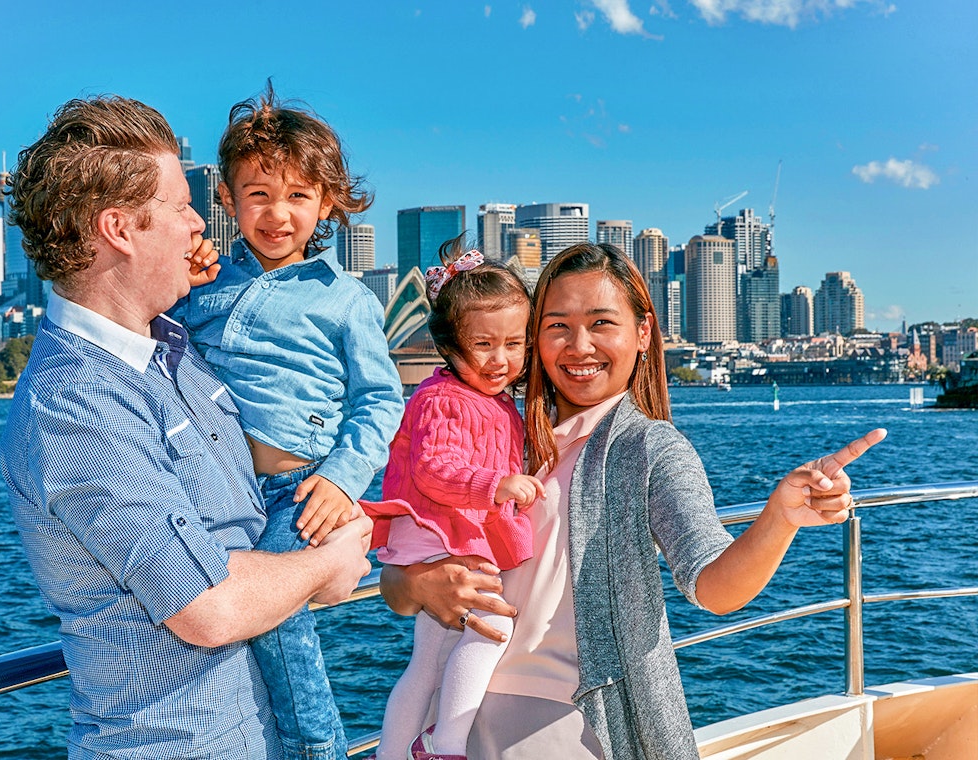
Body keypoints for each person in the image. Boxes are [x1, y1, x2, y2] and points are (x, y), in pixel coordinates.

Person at [380, 242, 886, 760]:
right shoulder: (499, 430)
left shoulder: (649, 448)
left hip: (565, 723)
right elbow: (403, 582)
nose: (579, 346)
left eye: (602, 323)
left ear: (643, 333)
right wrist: (412, 580)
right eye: (557, 326)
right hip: (446, 721)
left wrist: (780, 518)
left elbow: (714, 586)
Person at [0, 95, 373, 760]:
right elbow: (208, 608)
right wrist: (328, 564)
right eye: (179, 206)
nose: (199, 221)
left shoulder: (176, 347)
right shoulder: (76, 405)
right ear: (119, 228)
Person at [169, 83, 405, 760]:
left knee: (276, 622)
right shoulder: (204, 285)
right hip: (215, 487)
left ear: (328, 204)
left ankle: (315, 750)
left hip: (297, 489)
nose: (277, 214)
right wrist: (174, 279)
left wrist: (340, 477)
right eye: (259, 195)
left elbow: (379, 400)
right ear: (228, 200)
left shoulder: (346, 300)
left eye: (298, 196)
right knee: (203, 619)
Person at [362, 236, 541, 760]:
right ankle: (446, 744)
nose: (500, 359)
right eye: (482, 344)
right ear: (449, 344)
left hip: (435, 536)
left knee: (429, 662)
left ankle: (392, 753)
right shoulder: (445, 399)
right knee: (494, 624)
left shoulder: (495, 401)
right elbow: (435, 470)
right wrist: (496, 487)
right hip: (440, 534)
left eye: (513, 344)